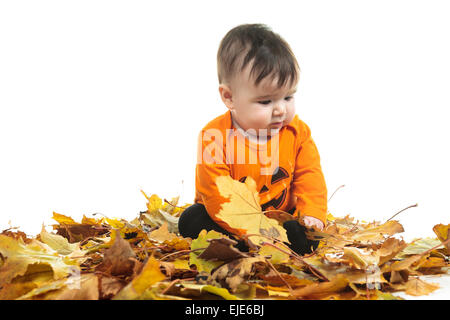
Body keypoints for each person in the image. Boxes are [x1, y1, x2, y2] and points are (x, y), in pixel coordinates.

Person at [178, 23, 328, 255]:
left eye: (288, 97)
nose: (280, 110)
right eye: (266, 102)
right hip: (229, 223)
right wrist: (251, 231)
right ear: (229, 97)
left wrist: (312, 213)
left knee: (303, 233)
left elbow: (310, 175)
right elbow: (216, 194)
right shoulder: (214, 136)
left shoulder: (298, 132)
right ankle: (240, 247)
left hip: (280, 219)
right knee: (192, 220)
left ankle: (284, 242)